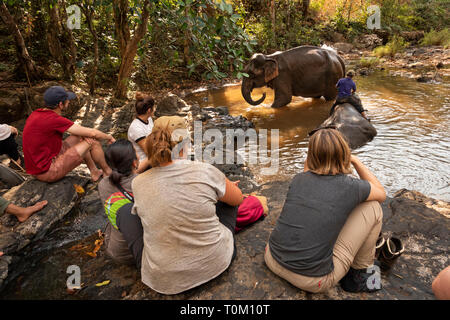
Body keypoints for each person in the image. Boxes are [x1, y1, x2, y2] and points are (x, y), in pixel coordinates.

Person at [264, 128, 386, 293]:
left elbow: (310, 170)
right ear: (344, 153)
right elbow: (381, 193)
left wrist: (315, 151)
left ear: (310, 155)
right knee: (373, 208)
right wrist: (355, 161)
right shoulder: (350, 187)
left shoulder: (299, 179)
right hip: (312, 280)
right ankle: (361, 274)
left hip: (271, 258)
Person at [132, 116, 244, 295]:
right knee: (228, 203)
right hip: (213, 264)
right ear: (185, 143)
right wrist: (224, 186)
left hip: (162, 280)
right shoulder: (204, 170)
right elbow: (238, 199)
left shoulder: (137, 183)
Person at [22, 86, 115, 183]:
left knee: (80, 136)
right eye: (67, 100)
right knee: (93, 142)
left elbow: (80, 131)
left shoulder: (37, 113)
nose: (69, 102)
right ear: (61, 104)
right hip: (47, 171)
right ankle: (108, 172)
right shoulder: (53, 119)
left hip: (37, 168)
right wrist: (109, 137)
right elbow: (93, 133)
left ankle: (94, 171)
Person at [98, 139, 143, 268]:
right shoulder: (142, 183)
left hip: (114, 248)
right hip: (136, 253)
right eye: (136, 152)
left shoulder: (103, 184)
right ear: (134, 162)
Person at [127, 92, 155, 173]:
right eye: (154, 107)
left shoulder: (149, 119)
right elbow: (148, 151)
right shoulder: (136, 128)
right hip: (143, 161)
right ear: (149, 110)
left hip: (152, 153)